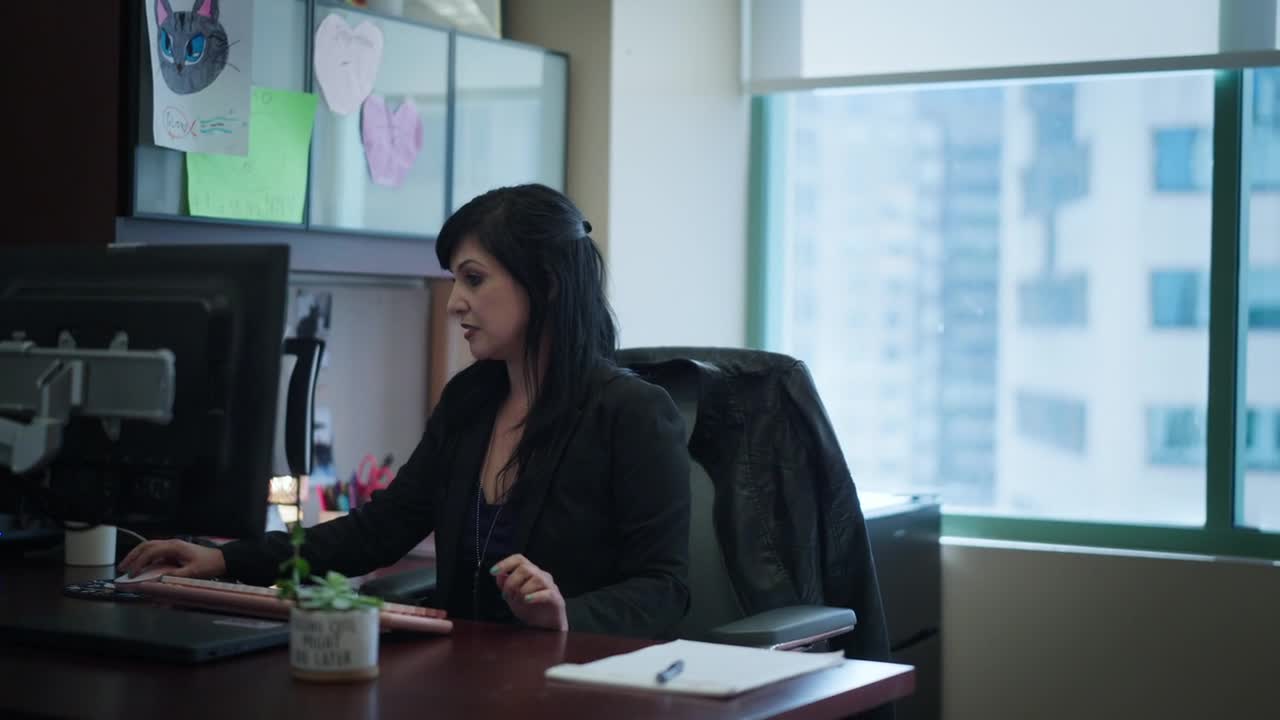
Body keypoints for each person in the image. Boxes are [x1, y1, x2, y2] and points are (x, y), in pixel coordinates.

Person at [119, 184, 692, 638]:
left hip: (569, 686)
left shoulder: (633, 413)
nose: (455, 303)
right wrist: (225, 562)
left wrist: (564, 614)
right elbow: (380, 531)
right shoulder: (470, 401)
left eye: (474, 279)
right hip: (463, 676)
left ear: (546, 284)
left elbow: (664, 588)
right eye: (455, 281)